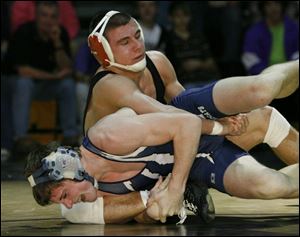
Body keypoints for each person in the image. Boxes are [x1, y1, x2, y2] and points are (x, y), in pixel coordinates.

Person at [24, 10, 298, 225]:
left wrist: (217, 125)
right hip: (155, 153)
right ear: (103, 52)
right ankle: (191, 183)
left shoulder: (156, 62)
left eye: (137, 36)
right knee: (269, 183)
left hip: (177, 137)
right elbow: (169, 117)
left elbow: (183, 110)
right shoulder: (110, 86)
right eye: (124, 42)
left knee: (260, 93)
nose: (136, 46)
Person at [25, 106, 299, 224]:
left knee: (270, 184)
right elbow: (142, 214)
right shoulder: (95, 193)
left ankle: (265, 121)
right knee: (270, 184)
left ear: (68, 167)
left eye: (63, 195)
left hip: (200, 138)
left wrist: (175, 189)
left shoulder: (107, 136)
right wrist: (150, 203)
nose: (68, 204)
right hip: (191, 165)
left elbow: (188, 123)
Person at [5, 1, 79, 157]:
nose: (48, 20)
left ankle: (70, 135)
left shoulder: (60, 33)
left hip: (47, 85)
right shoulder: (24, 32)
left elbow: (66, 68)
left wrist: (57, 43)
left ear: (58, 18)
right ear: (36, 16)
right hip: (16, 86)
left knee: (68, 85)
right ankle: (21, 138)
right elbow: (22, 70)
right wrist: (53, 76)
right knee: (23, 84)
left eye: (53, 16)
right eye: (44, 15)